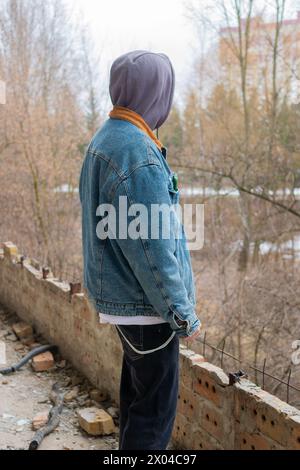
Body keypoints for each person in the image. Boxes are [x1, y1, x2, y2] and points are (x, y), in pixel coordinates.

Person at [79, 50, 201, 450]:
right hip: (147, 307)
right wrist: (181, 315)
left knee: (137, 401)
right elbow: (153, 248)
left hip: (121, 300)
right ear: (158, 92)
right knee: (154, 415)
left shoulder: (105, 138)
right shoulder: (138, 153)